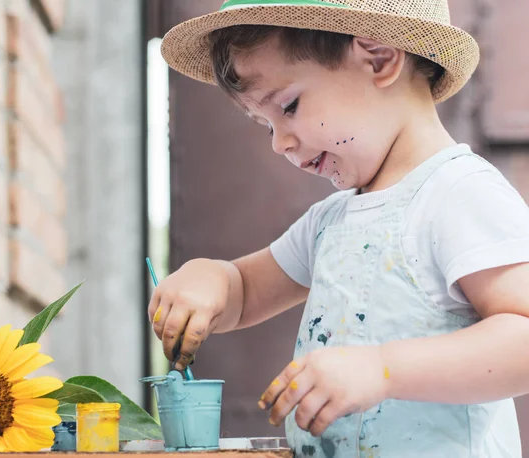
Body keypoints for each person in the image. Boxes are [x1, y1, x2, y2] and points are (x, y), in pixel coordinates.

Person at [148, 0, 529, 456]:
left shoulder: (457, 194)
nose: (279, 143)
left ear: (380, 58)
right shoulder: (331, 222)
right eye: (265, 124)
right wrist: (210, 277)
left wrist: (384, 369)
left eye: (288, 106)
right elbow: (246, 291)